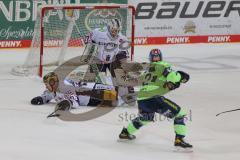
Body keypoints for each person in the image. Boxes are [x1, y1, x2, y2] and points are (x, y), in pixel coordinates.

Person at [118, 49, 193, 150]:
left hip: (142, 98)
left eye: (157, 57)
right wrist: (181, 77)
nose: (156, 59)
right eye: (155, 57)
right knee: (180, 114)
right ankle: (179, 140)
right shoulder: (163, 64)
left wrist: (169, 85)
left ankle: (125, 133)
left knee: (145, 118)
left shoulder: (148, 68)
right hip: (154, 98)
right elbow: (172, 77)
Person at [84, 18, 135, 104]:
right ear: (108, 27)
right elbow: (87, 38)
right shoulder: (98, 32)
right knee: (88, 82)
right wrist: (89, 43)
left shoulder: (122, 38)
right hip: (98, 59)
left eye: (117, 30)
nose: (115, 32)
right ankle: (93, 96)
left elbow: (123, 56)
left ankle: (126, 94)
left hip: (113, 60)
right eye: (113, 30)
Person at [31, 72, 117, 111]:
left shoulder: (65, 88)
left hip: (93, 94)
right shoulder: (54, 89)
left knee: (117, 96)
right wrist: (41, 98)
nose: (46, 86)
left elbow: (75, 102)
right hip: (90, 91)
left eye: (47, 84)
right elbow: (48, 95)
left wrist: (67, 103)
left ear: (53, 83)